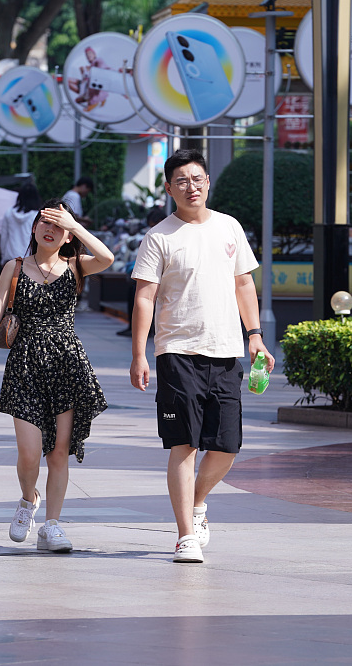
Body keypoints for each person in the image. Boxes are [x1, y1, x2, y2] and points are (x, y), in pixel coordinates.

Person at [129, 149, 275, 564]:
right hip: (177, 353)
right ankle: (185, 536)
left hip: (227, 351)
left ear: (208, 181)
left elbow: (244, 284)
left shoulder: (229, 227)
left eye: (197, 179)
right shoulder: (160, 236)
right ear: (168, 188)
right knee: (184, 444)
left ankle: (196, 501)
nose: (191, 187)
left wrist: (255, 336)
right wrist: (139, 353)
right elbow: (144, 298)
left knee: (228, 445)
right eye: (181, 181)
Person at [0, 201, 114, 553]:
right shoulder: (14, 267)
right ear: (33, 229)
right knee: (30, 453)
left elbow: (107, 258)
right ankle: (28, 500)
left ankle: (53, 525)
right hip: (26, 365)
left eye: (58, 226)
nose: (50, 230)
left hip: (67, 364)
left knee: (59, 453)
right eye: (45, 223)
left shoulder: (76, 266)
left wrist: (75, 225)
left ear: (67, 236)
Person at [117, 207, 167, 337]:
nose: (152, 228)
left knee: (139, 294)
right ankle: (133, 327)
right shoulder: (150, 234)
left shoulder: (167, 235)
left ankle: (143, 329)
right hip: (149, 273)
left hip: (162, 276)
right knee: (133, 293)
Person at [0, 183, 41, 269]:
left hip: (10, 259)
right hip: (30, 259)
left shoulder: (9, 213)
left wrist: (3, 258)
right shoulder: (36, 216)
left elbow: (4, 237)